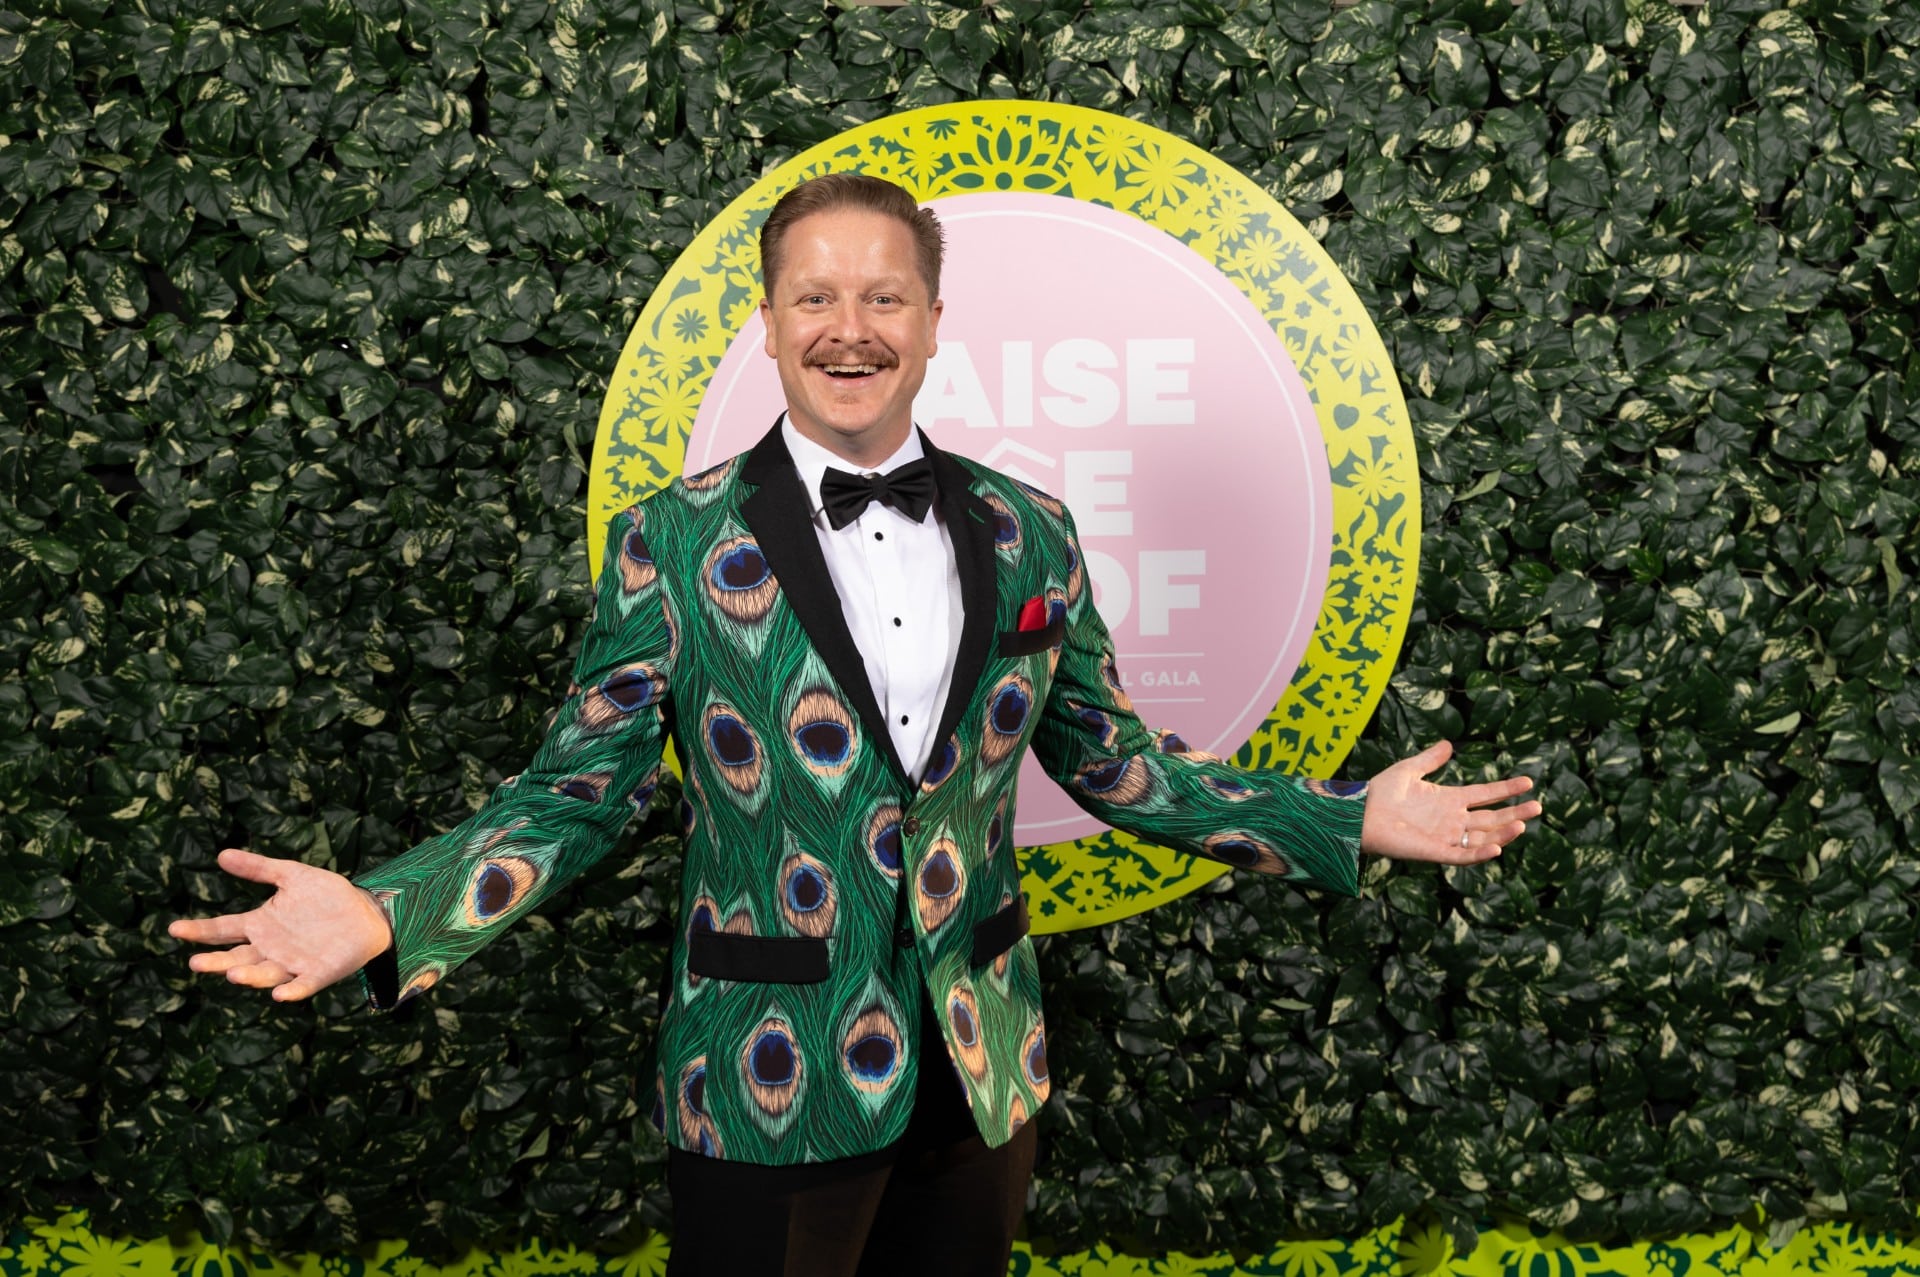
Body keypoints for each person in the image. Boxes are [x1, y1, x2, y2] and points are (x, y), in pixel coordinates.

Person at [171, 173, 1542, 1277]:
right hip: (766, 1071)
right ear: (767, 322)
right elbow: (578, 791)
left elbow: (1116, 765)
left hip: (982, 1061)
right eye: (815, 295)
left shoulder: (1029, 528)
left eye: (884, 294)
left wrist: (1342, 813)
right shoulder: (674, 541)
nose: (850, 326)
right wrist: (392, 910)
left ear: (935, 320)